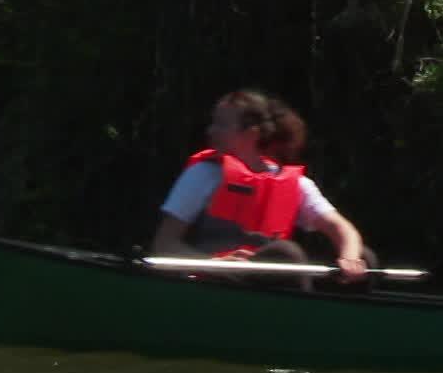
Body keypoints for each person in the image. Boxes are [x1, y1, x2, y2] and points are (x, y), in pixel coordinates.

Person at [151, 89, 372, 281]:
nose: (210, 131)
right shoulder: (202, 174)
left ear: (251, 134)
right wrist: (216, 264)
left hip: (268, 279)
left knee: (365, 259)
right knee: (286, 254)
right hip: (215, 280)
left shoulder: (298, 184)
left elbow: (342, 229)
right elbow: (163, 246)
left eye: (221, 125)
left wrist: (350, 258)